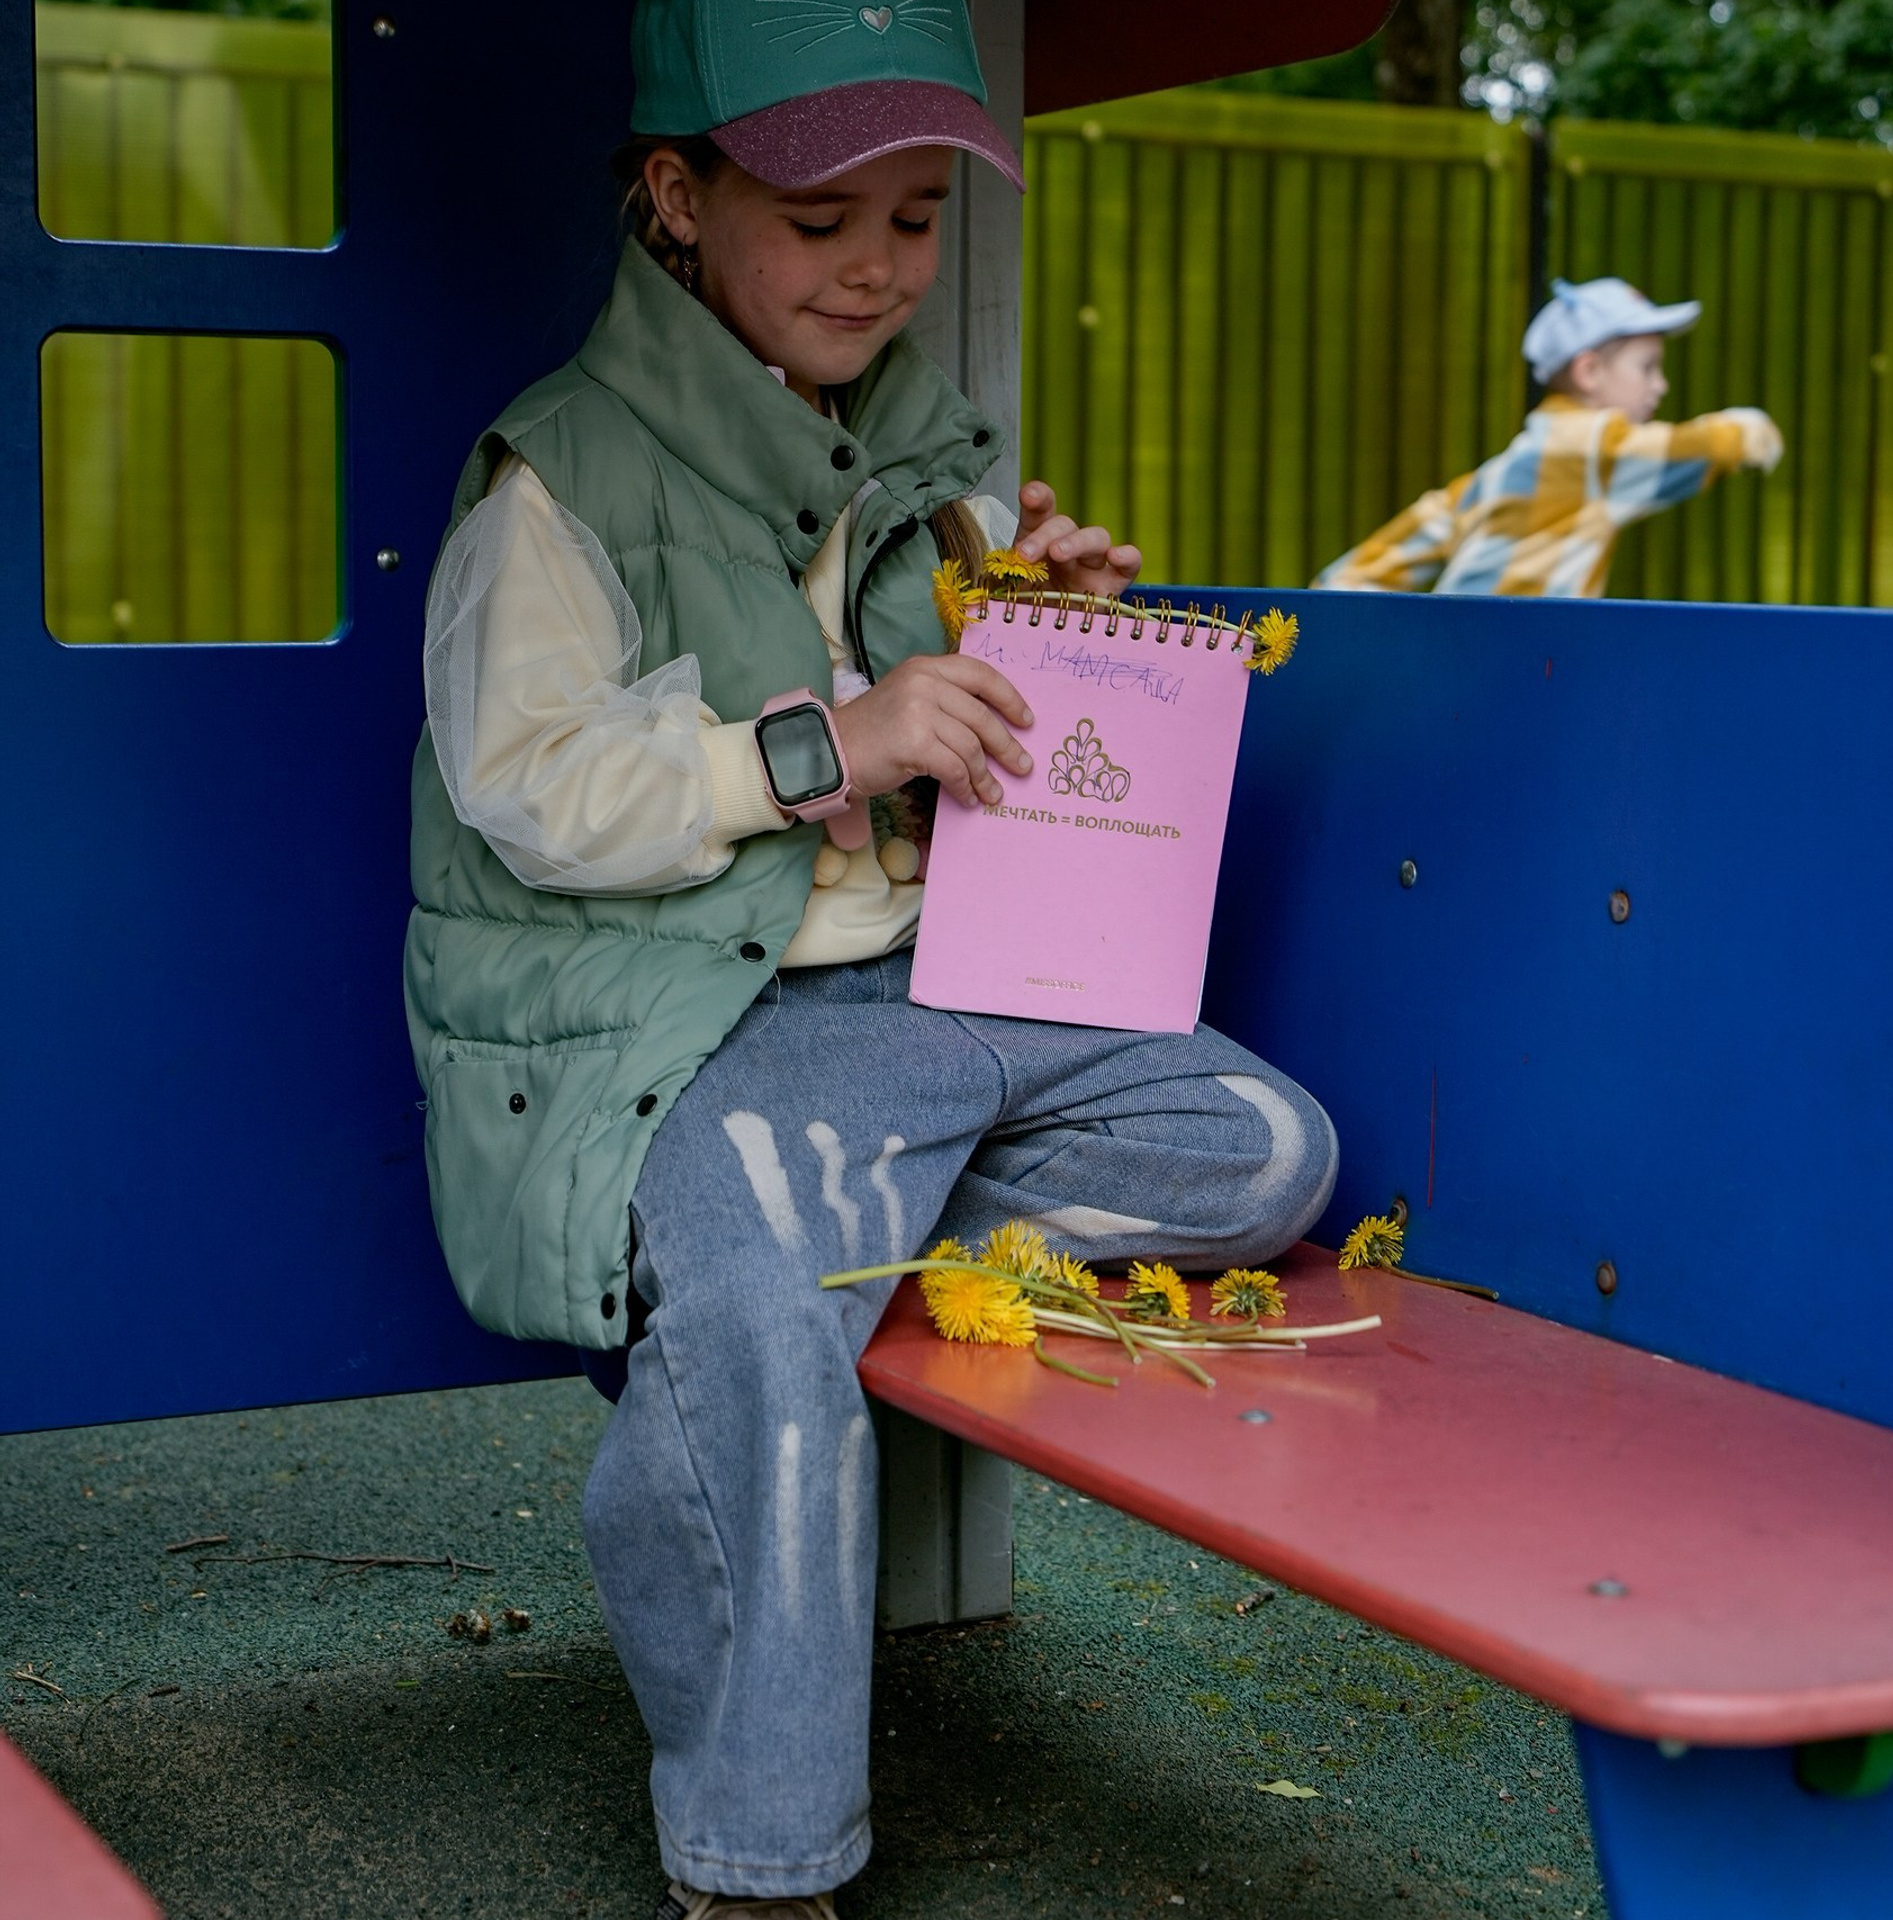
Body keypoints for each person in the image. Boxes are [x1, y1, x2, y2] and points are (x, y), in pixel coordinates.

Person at [404, 5, 1339, 1917]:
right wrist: (831, 736)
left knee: (1266, 1152)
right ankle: (760, 1857)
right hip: (697, 1025)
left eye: (912, 220)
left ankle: (840, 1204)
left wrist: (1058, 628)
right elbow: (530, 788)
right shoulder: (557, 480)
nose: (875, 267)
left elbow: (1007, 740)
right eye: (823, 215)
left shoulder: (938, 466)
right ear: (678, 200)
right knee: (759, 1335)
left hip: (929, 1014)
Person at [1312, 277, 1784, 598]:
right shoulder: (1595, 447)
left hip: (1459, 655)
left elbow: (1405, 540)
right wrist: (1749, 430)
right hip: (1525, 662)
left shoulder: (1511, 464)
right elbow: (1693, 453)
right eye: (1647, 368)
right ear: (1589, 371)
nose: (1660, 386)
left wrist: (1334, 595)